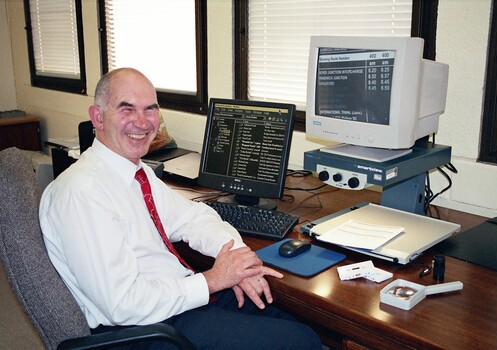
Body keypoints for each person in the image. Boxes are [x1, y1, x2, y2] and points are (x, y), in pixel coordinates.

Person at [39, 68, 321, 349]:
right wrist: (212, 280)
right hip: (142, 328)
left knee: (296, 324)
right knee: (301, 341)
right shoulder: (82, 193)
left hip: (176, 299)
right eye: (127, 109)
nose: (142, 122)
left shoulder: (134, 171)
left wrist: (237, 259)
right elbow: (123, 304)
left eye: (150, 110)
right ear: (98, 117)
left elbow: (193, 217)